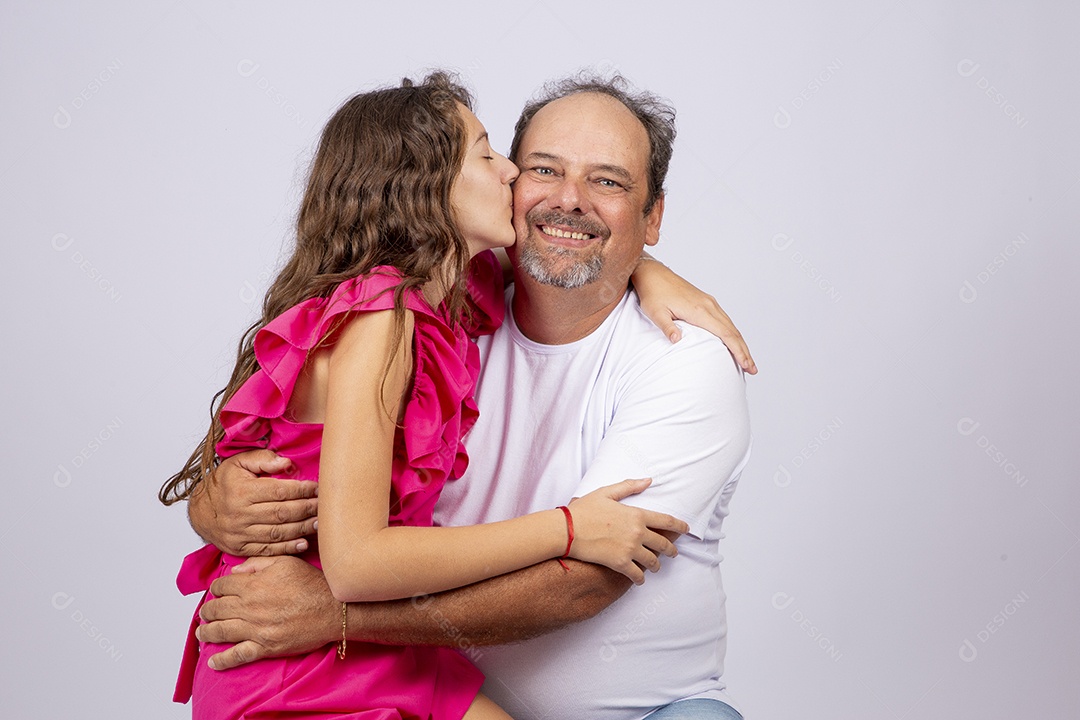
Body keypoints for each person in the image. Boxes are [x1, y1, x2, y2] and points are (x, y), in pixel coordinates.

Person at [190, 74, 752, 719]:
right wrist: (216, 498)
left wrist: (336, 615)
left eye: (609, 182)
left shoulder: (684, 360)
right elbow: (297, 468)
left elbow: (583, 584)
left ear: (653, 216)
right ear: (433, 194)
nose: (563, 198)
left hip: (633, 709)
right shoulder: (442, 314)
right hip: (364, 668)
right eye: (536, 168)